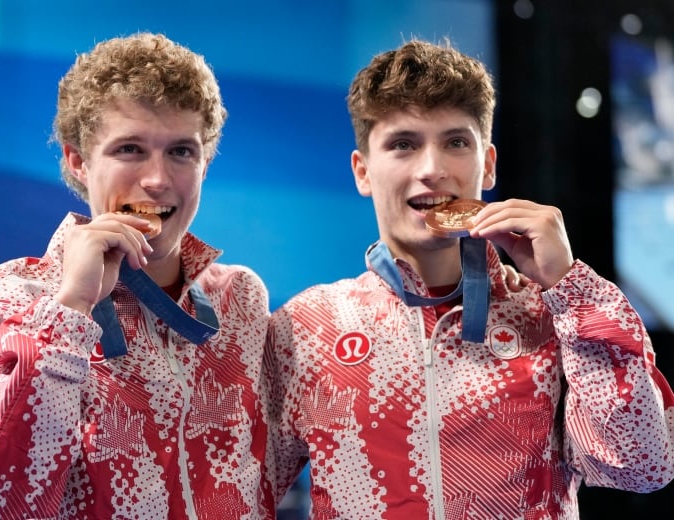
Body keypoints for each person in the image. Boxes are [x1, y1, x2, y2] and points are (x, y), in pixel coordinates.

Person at [266, 38, 674, 519]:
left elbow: (641, 465)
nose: (433, 169)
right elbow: (236, 492)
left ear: (488, 165)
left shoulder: (552, 313)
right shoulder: (308, 327)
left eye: (456, 142)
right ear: (363, 172)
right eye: (403, 144)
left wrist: (570, 287)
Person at [0, 32, 275, 519]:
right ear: (78, 160)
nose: (157, 179)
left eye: (181, 151)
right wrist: (70, 309)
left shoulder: (239, 300)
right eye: (130, 149)